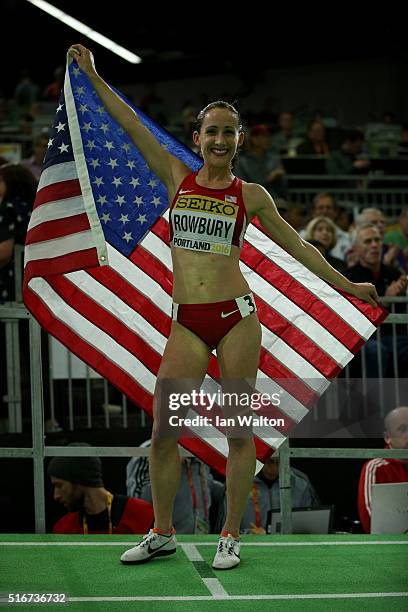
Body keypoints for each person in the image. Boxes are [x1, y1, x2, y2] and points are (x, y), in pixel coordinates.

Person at [68, 43, 378, 570]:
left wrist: (347, 285)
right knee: (164, 433)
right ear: (197, 139)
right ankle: (162, 531)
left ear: (237, 140)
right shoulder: (175, 177)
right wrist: (94, 77)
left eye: (227, 131)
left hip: (237, 319)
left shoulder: (251, 195)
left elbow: (299, 248)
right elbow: (128, 123)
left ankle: (230, 535)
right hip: (187, 322)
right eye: (209, 130)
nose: (217, 138)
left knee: (238, 433)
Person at [48, 445, 154, 534]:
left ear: (79, 480)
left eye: (60, 485)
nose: (56, 495)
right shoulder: (64, 528)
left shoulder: (142, 515)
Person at [347, 223, 408, 377]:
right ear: (356, 248)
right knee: (375, 351)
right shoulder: (348, 278)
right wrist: (385, 300)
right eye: (368, 241)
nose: (374, 245)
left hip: (394, 336)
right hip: (366, 338)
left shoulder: (394, 273)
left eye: (377, 240)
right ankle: (374, 401)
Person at [126, 440, 226, 534]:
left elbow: (207, 485)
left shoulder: (197, 452)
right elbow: (138, 501)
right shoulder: (151, 449)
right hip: (163, 537)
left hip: (199, 540)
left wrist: (232, 486)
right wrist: (171, 465)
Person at [358, 406, 408, 533]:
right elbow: (370, 521)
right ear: (387, 437)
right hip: (391, 545)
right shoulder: (375, 468)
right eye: (403, 429)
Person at [241, 456, 319, 534]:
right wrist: (247, 533)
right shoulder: (240, 481)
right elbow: (230, 528)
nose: (274, 468)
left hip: (290, 542)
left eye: (278, 462)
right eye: (270, 462)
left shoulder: (300, 483)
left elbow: (312, 525)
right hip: (250, 542)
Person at [0, 163, 37, 302]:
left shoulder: (7, 207)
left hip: (12, 280)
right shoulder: (35, 205)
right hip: (33, 277)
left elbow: (4, 252)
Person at [234, 124, 287, 198]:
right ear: (254, 139)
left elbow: (283, 187)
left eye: (269, 136)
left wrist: (280, 178)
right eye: (265, 136)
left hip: (274, 199)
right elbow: (241, 187)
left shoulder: (274, 159)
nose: (268, 139)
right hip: (251, 201)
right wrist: (269, 179)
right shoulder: (242, 162)